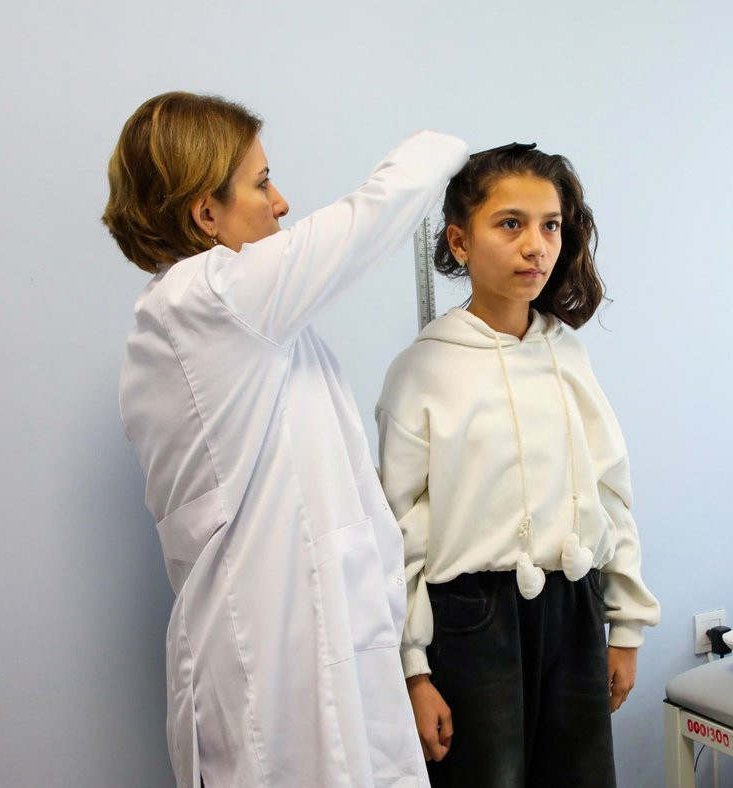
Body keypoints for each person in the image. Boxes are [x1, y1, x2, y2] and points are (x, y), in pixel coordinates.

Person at [102, 91, 467, 787]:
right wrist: (446, 146)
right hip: (274, 660)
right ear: (205, 214)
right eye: (261, 182)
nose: (281, 202)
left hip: (313, 647)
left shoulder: (235, 323)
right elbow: (367, 220)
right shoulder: (209, 300)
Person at [375, 143, 660, 787]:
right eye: (511, 224)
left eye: (550, 225)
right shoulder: (423, 369)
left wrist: (626, 624)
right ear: (460, 240)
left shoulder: (568, 355)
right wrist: (413, 669)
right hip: (471, 620)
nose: (536, 246)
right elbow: (398, 527)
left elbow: (609, 491)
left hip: (576, 607)